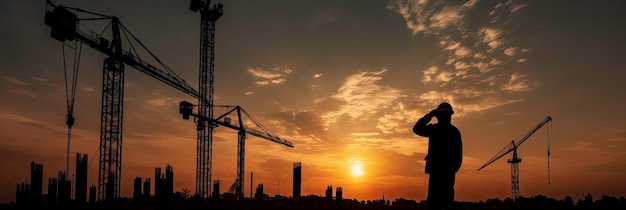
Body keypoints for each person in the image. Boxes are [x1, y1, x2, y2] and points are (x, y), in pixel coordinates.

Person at [413, 102, 462, 210]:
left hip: (439, 172)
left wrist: (429, 115)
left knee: (436, 202)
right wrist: (454, 168)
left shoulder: (435, 130)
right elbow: (459, 155)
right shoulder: (453, 131)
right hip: (446, 172)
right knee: (443, 202)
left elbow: (417, 128)